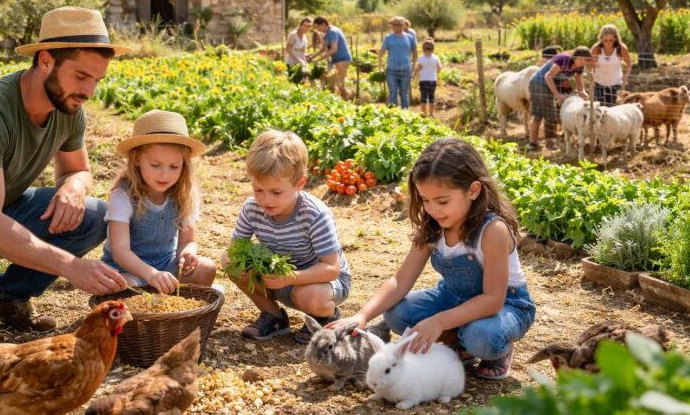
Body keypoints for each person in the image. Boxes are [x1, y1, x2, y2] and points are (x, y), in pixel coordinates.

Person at [0, 6, 131, 359]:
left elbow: (78, 170)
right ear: (45, 61)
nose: (89, 91)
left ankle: (6, 297)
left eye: (96, 80)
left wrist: (74, 187)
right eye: (80, 76)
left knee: (92, 215)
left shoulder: (69, 109)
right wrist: (69, 266)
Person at [330, 138, 535, 380]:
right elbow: (400, 281)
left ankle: (498, 350)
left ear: (473, 190)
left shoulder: (492, 231)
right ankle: (461, 346)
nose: (432, 209)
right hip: (454, 298)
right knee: (397, 313)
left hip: (505, 306)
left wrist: (439, 321)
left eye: (442, 201)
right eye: (425, 200)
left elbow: (492, 300)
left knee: (482, 337)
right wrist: (362, 315)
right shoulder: (432, 227)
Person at [223, 130, 351, 344]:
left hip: (321, 282)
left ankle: (324, 317)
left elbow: (331, 269)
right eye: (258, 190)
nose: (265, 200)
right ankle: (273, 316)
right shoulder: (251, 209)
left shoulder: (314, 215)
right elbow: (235, 248)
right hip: (277, 278)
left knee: (308, 296)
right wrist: (238, 263)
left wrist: (292, 278)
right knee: (230, 262)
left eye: (276, 192)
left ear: (300, 183)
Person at [102, 110, 216, 293]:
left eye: (174, 166)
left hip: (166, 265)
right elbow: (120, 251)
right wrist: (151, 275)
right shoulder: (123, 196)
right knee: (123, 284)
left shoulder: (185, 194)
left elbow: (188, 240)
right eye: (155, 165)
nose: (165, 174)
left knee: (206, 268)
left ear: (184, 165)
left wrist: (187, 254)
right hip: (128, 269)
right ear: (137, 159)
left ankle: (178, 311)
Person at [527, 46, 592, 151]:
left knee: (538, 115)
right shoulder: (564, 59)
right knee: (551, 114)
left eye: (585, 60)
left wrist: (583, 92)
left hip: (544, 85)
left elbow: (579, 82)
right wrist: (558, 95)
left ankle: (532, 144)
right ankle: (550, 144)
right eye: (580, 59)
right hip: (539, 83)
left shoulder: (579, 66)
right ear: (574, 57)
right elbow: (548, 76)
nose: (582, 62)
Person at [379, 16, 418, 109]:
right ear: (392, 26)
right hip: (391, 70)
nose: (397, 27)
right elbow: (381, 53)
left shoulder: (409, 37)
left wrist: (413, 67)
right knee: (392, 94)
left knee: (404, 94)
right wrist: (380, 66)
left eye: (400, 25)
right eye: (395, 25)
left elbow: (415, 53)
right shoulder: (388, 38)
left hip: (406, 70)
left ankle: (405, 116)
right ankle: (393, 116)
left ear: (404, 25)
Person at [590, 25, 632, 106]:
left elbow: (629, 64)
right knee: (601, 110)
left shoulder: (621, 48)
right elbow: (591, 66)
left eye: (611, 40)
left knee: (616, 109)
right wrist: (592, 80)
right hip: (599, 84)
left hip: (617, 85)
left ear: (616, 38)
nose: (608, 43)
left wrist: (625, 80)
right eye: (605, 40)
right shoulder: (596, 49)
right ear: (601, 38)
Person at [312, 16, 352, 100]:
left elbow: (334, 49)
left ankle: (347, 101)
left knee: (340, 84)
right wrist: (313, 56)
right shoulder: (327, 34)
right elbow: (324, 48)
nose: (317, 30)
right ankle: (341, 101)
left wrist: (319, 59)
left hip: (342, 59)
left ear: (323, 24)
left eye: (317, 27)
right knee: (333, 84)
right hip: (335, 60)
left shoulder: (333, 32)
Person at [414, 39, 441, 117]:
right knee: (431, 97)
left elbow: (417, 69)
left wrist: (415, 74)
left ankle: (423, 113)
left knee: (423, 97)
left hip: (423, 79)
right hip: (433, 79)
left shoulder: (421, 58)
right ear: (432, 48)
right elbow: (439, 68)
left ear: (423, 48)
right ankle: (431, 114)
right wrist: (434, 72)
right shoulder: (436, 57)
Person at [285, 17, 313, 84]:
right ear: (300, 25)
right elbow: (287, 49)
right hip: (292, 63)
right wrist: (299, 60)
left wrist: (308, 55)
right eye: (305, 25)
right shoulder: (293, 35)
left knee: (302, 84)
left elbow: (303, 51)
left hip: (302, 64)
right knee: (293, 83)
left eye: (309, 26)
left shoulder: (304, 36)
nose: (306, 28)